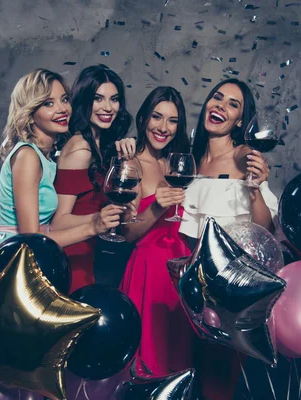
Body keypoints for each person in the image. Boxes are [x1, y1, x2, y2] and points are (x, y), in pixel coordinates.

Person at [0, 69, 124, 354]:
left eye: (64, 99)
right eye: (48, 103)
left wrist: (99, 218)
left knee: (10, 363)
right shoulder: (27, 156)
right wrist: (92, 227)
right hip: (11, 261)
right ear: (29, 112)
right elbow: (31, 237)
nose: (61, 109)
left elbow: (47, 227)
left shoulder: (44, 156)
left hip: (28, 258)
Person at [180, 78, 280, 400]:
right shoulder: (189, 158)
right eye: (217, 97)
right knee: (177, 375)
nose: (220, 106)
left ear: (240, 120)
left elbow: (263, 229)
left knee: (215, 385)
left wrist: (253, 190)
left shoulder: (246, 157)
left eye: (232, 104)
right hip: (181, 283)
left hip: (224, 290)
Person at [118, 86, 193, 375]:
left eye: (172, 121)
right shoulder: (132, 162)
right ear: (143, 119)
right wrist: (156, 208)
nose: (163, 128)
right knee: (148, 365)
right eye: (156, 117)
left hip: (181, 272)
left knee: (178, 365)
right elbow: (126, 234)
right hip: (148, 271)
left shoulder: (179, 163)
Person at [52, 64, 134, 293]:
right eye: (98, 99)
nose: (108, 107)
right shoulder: (80, 149)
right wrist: (100, 217)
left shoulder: (99, 145)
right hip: (71, 259)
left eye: (114, 99)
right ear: (85, 101)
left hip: (88, 255)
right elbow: (58, 221)